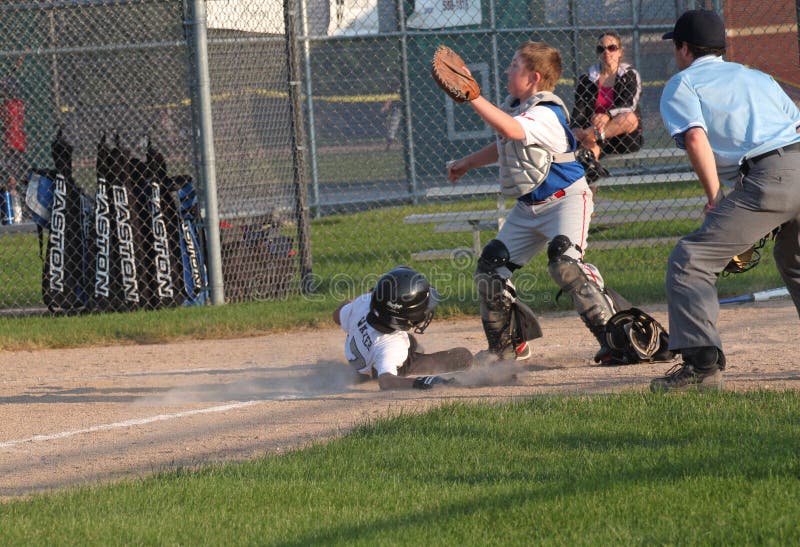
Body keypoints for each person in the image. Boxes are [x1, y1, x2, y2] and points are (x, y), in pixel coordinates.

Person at [446, 41, 672, 366]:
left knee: (565, 264)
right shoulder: (518, 109)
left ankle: (618, 341)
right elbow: (507, 142)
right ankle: (506, 350)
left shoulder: (545, 112)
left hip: (566, 199)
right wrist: (466, 163)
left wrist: (474, 97)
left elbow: (510, 129)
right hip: (529, 207)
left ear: (534, 77)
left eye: (514, 66)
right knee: (490, 269)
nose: (508, 71)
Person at [651, 9, 800, 392]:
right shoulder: (756, 76)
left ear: (684, 48)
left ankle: (701, 367)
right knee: (794, 260)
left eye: (676, 46)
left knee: (691, 260)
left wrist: (715, 196)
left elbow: (696, 138)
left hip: (771, 177)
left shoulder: (682, 84)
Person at [333, 266, 473, 390]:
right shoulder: (391, 346)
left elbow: (336, 316)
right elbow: (386, 381)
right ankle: (411, 366)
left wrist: (355, 303)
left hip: (362, 355)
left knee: (411, 342)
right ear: (402, 319)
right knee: (463, 357)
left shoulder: (364, 302)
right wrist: (424, 382)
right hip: (379, 368)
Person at [571, 31, 643, 183]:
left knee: (630, 118)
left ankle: (591, 135)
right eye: (601, 49)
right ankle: (589, 199)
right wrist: (576, 128)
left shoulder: (629, 75)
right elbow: (578, 112)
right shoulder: (587, 79)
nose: (606, 52)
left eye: (612, 48)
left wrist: (607, 115)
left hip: (623, 138)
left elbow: (629, 104)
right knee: (587, 157)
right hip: (596, 138)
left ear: (620, 52)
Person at [1, 54, 26, 224]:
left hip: (10, 145)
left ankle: (14, 216)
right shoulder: (18, 105)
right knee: (11, 181)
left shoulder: (9, 108)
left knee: (11, 182)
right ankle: (14, 215)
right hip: (18, 145)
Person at [380, 83, 403, 150]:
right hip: (399, 109)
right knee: (393, 127)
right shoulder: (397, 87)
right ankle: (388, 146)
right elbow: (391, 97)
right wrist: (386, 106)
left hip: (409, 108)